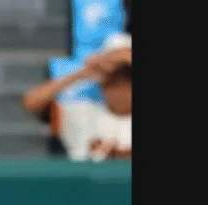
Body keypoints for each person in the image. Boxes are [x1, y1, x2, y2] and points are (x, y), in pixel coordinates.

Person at [23, 32, 131, 161]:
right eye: (114, 77)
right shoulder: (80, 111)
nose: (122, 85)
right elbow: (31, 103)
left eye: (128, 76)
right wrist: (83, 73)